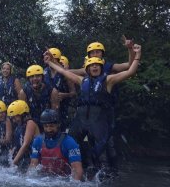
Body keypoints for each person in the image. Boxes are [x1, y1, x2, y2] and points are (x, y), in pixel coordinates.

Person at [43, 44, 142, 178]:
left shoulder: (108, 80)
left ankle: (105, 174)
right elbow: (64, 72)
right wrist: (50, 62)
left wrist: (137, 55)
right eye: (92, 65)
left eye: (97, 65)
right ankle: (72, 170)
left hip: (98, 119)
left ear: (101, 67)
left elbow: (130, 72)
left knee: (101, 147)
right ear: (87, 69)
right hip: (81, 119)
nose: (94, 67)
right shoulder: (82, 80)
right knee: (70, 141)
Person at [29, 109, 83, 181]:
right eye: (46, 126)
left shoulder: (69, 142)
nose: (49, 129)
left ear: (58, 125)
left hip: (64, 181)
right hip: (44, 180)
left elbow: (77, 170)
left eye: (51, 126)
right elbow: (32, 167)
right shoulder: (37, 141)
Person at [43, 48, 76, 130]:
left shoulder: (64, 74)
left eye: (53, 59)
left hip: (63, 107)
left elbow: (74, 93)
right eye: (48, 59)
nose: (50, 61)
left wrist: (65, 95)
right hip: (47, 106)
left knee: (61, 129)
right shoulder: (44, 72)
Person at [7, 100, 40, 169]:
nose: (14, 120)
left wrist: (13, 163)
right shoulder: (19, 126)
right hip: (25, 156)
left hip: (34, 157)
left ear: (23, 114)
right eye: (12, 118)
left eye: (15, 117)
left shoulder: (30, 123)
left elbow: (25, 144)